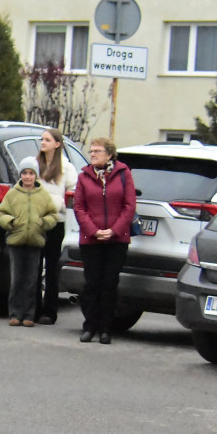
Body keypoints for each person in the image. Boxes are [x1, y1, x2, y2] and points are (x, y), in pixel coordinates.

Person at [72, 137, 136, 345]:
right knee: (92, 284)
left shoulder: (124, 174)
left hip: (116, 240)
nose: (92, 154)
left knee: (109, 283)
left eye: (97, 151)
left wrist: (114, 230)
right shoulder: (84, 176)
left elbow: (129, 206)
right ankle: (90, 326)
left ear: (109, 154)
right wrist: (94, 230)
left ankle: (106, 329)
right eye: (91, 151)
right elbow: (79, 207)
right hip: (91, 239)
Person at [0, 156, 58, 327]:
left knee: (31, 281)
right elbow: (0, 213)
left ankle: (29, 314)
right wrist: (11, 222)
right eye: (25, 173)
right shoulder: (13, 194)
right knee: (16, 280)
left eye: (31, 173)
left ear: (36, 176)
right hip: (16, 241)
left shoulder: (43, 195)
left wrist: (44, 223)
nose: (28, 177)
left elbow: (53, 214)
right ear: (20, 175)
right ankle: (15, 313)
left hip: (35, 242)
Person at [34, 128, 78, 325]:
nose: (43, 142)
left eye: (47, 139)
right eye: (42, 139)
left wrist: (53, 204)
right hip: (35, 221)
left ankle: (50, 311)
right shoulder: (35, 164)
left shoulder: (66, 168)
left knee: (52, 267)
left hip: (56, 222)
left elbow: (70, 196)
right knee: (34, 267)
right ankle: (32, 309)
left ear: (57, 144)